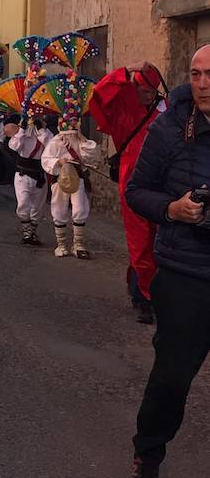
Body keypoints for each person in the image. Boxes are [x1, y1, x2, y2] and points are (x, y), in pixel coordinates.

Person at [125, 45, 210, 478]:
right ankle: (148, 454)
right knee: (172, 379)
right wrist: (173, 210)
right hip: (185, 276)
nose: (202, 83)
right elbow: (137, 191)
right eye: (196, 73)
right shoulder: (170, 126)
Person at [91, 62, 166, 324]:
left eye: (145, 89)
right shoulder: (123, 110)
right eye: (137, 87)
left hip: (162, 186)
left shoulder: (165, 112)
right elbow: (100, 93)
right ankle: (144, 297)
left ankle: (150, 292)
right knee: (140, 242)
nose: (139, 93)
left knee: (162, 242)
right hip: (133, 183)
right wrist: (126, 70)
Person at [41, 118, 97, 260]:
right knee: (59, 209)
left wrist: (82, 137)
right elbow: (46, 159)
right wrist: (58, 161)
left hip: (77, 177)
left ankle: (78, 245)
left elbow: (91, 156)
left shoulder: (79, 140)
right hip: (60, 178)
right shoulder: (55, 142)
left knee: (79, 208)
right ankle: (61, 244)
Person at [7, 117, 53, 245]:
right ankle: (27, 232)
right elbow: (14, 146)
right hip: (23, 174)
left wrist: (41, 129)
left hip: (39, 175)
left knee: (38, 207)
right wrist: (21, 129)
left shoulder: (46, 133)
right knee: (23, 203)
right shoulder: (22, 133)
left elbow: (51, 146)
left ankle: (32, 233)